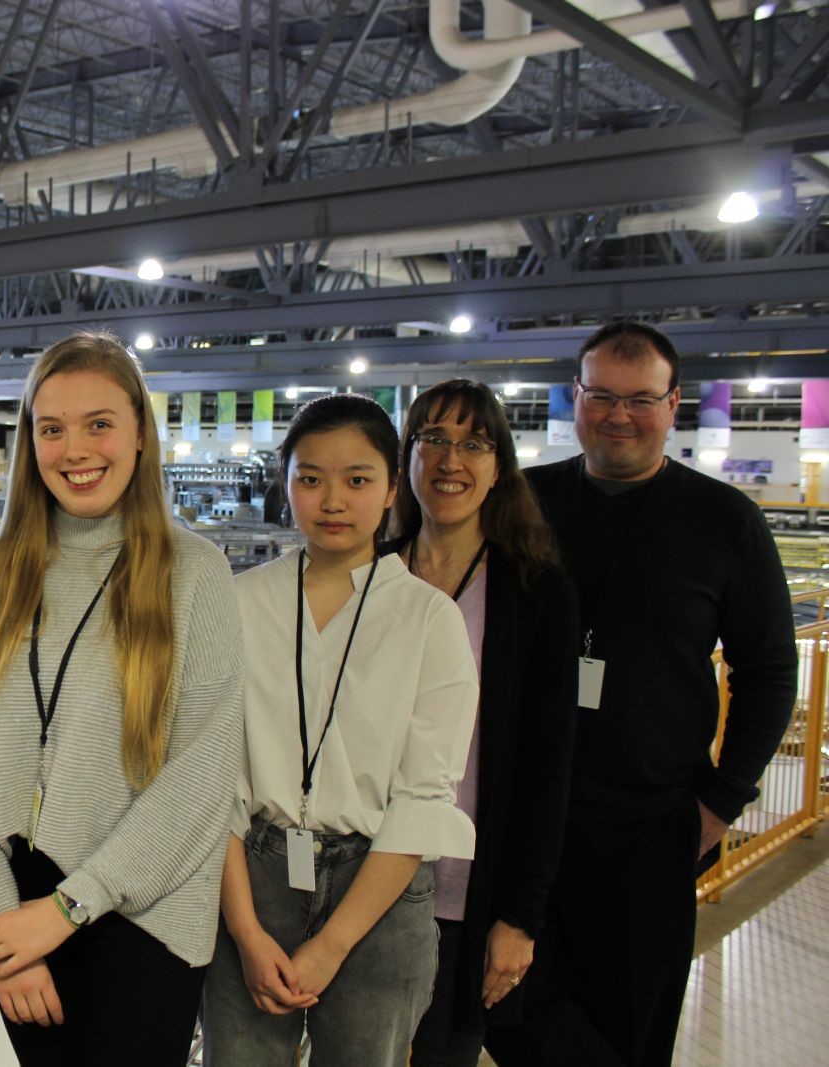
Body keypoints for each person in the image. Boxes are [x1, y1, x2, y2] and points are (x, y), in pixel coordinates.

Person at [484, 322, 798, 1067]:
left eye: (640, 399)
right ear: (577, 397)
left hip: (653, 824)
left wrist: (720, 803)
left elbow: (770, 669)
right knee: (507, 1004)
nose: (619, 415)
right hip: (527, 818)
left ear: (673, 403)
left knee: (633, 1020)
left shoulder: (726, 521)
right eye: (602, 396)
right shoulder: (525, 502)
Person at [0, 331, 245, 1066]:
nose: (75, 449)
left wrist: (67, 909)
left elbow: (201, 775)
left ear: (140, 434)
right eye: (51, 428)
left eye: (98, 423)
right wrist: (3, 920)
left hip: (144, 911)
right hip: (18, 901)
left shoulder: (196, 573)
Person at [200, 393, 479, 1067]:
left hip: (376, 888)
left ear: (390, 490)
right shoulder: (239, 601)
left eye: (357, 480)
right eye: (310, 477)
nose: (332, 500)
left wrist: (331, 945)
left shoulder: (428, 618)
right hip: (255, 877)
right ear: (286, 482)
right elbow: (214, 779)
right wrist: (243, 927)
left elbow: (422, 799)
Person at [393, 380, 579, 1066]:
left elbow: (546, 764)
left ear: (500, 465)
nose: (450, 460)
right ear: (406, 456)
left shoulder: (535, 592)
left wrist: (520, 915)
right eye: (432, 439)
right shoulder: (370, 576)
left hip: (464, 893)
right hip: (353, 883)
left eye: (473, 443)